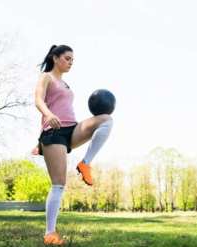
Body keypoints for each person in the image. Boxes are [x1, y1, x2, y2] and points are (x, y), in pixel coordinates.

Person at [34, 45, 113, 245]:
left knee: (105, 120)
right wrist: (48, 114)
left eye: (72, 60)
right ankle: (50, 234)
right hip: (53, 132)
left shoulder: (66, 84)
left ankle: (85, 163)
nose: (70, 63)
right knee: (59, 184)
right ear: (55, 58)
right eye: (67, 58)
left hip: (72, 129)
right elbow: (38, 100)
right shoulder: (46, 77)